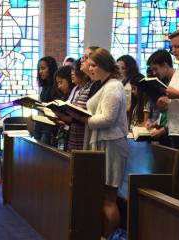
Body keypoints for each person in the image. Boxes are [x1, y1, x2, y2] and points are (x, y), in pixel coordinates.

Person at [70, 47, 128, 238]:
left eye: (94, 65)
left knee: (109, 197)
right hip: (103, 142)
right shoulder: (105, 84)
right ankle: (105, 234)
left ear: (104, 65)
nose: (90, 68)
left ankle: (113, 236)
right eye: (90, 64)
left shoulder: (113, 86)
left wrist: (84, 119)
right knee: (103, 196)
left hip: (111, 144)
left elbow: (108, 119)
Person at [34, 56, 58, 144]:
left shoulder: (56, 87)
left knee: (44, 154)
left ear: (51, 69)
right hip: (40, 124)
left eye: (43, 68)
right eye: (39, 69)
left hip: (49, 126)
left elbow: (56, 108)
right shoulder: (45, 86)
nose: (40, 72)